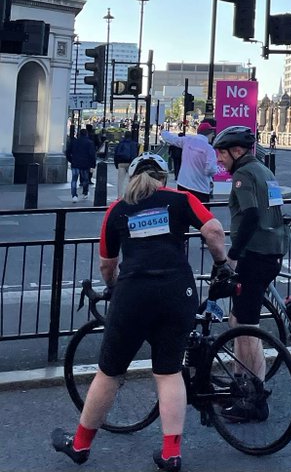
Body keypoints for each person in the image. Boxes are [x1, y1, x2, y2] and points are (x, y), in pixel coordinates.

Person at [50, 152, 229, 470]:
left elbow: (107, 264)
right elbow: (214, 231)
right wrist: (220, 263)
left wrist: (115, 285)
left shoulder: (117, 209)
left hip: (133, 296)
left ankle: (79, 445)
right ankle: (171, 452)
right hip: (177, 292)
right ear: (163, 178)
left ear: (132, 178)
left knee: (109, 373)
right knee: (169, 371)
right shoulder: (180, 200)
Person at [211, 125, 289, 421]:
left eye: (222, 154)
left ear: (237, 151)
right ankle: (241, 382)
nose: (219, 160)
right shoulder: (263, 171)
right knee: (238, 320)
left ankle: (255, 398)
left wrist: (231, 256)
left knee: (247, 327)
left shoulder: (244, 175)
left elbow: (252, 216)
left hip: (255, 255)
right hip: (272, 251)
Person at [160, 119, 218, 204]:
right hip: (200, 188)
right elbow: (211, 169)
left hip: (183, 184)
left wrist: (163, 131)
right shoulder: (209, 149)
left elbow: (171, 139)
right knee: (199, 215)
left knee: (183, 212)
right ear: (209, 133)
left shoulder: (187, 140)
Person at [65, 127, 97, 200]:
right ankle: (85, 193)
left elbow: (67, 152)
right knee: (85, 179)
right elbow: (92, 155)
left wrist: (71, 160)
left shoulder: (74, 142)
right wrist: (93, 165)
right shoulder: (89, 143)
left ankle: (74, 195)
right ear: (86, 134)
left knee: (74, 180)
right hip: (85, 164)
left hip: (75, 163)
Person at [112, 129, 139, 200]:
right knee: (131, 180)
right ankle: (131, 196)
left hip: (121, 163)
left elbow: (115, 154)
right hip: (131, 163)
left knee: (120, 181)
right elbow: (135, 154)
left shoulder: (120, 143)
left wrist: (116, 164)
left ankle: (119, 197)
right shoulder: (134, 144)